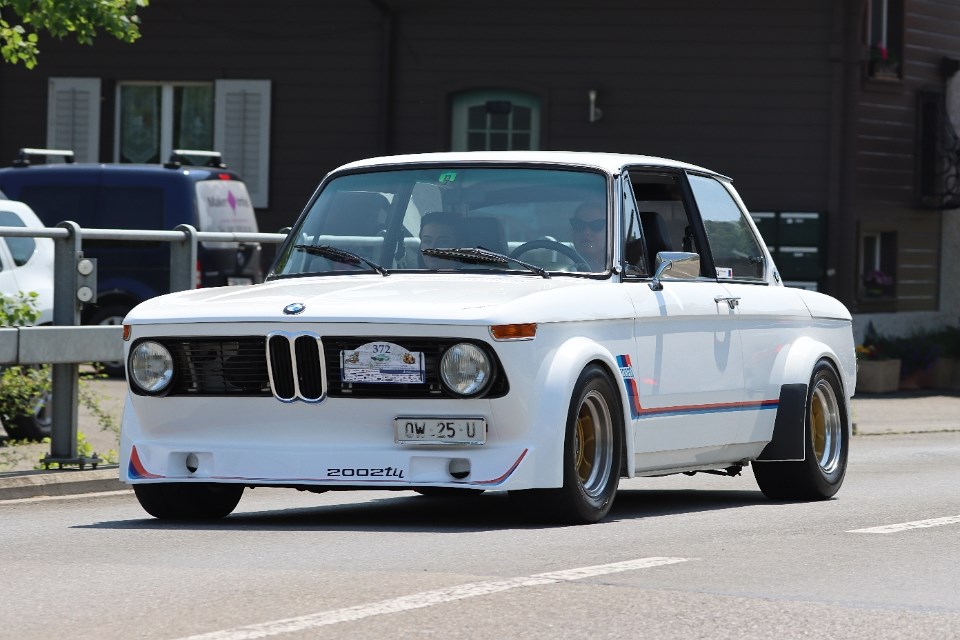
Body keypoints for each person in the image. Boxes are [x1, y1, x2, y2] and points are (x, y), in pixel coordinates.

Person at [569, 201, 607, 270]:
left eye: (596, 225)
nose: (586, 232)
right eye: (579, 225)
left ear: (609, 231)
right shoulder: (563, 270)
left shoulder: (623, 270)